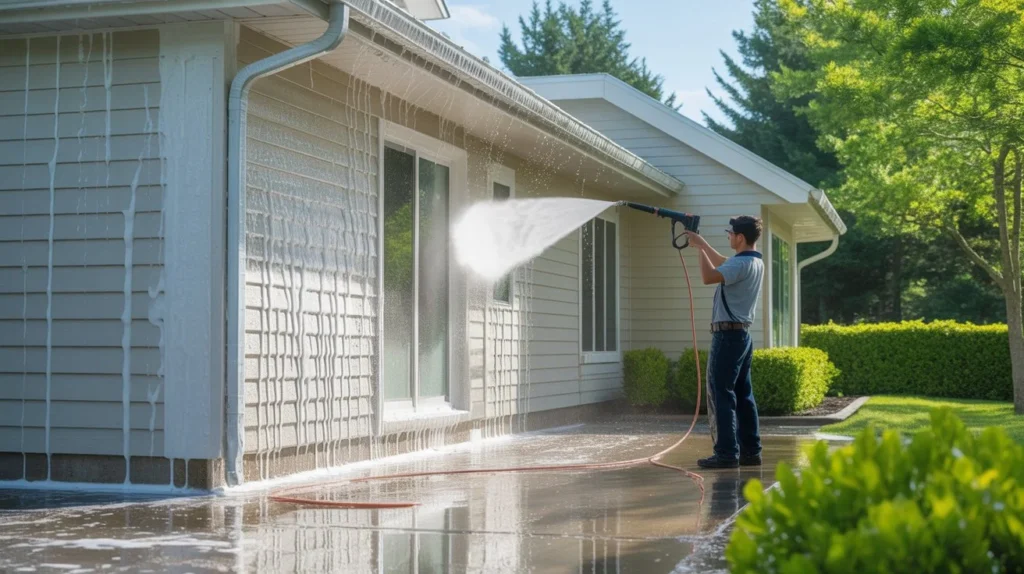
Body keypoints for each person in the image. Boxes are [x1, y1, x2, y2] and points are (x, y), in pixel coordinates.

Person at [684, 216, 765, 469]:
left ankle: (727, 453)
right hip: (742, 336)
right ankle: (751, 452)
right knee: (743, 394)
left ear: (740, 237)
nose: (729, 236)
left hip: (727, 336)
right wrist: (703, 244)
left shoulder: (740, 265)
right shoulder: (753, 261)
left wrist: (698, 248)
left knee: (722, 394)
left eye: (730, 233)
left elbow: (709, 276)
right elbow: (723, 263)